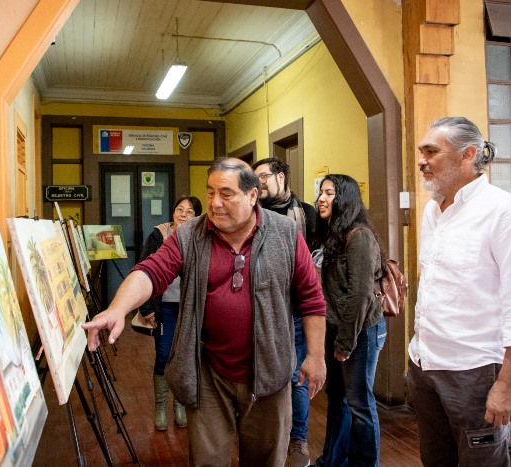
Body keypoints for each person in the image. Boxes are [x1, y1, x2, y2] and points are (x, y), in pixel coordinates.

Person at [83, 157, 327, 466]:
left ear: (252, 196)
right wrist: (117, 308)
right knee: (207, 461)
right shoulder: (190, 235)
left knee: (267, 460)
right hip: (208, 373)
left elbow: (311, 298)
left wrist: (316, 357)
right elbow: (151, 271)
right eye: (210, 192)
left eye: (226, 194)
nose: (214, 203)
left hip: (269, 374)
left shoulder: (286, 233)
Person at [409, 117, 511, 466]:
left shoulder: (503, 211)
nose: (422, 160)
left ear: (467, 154)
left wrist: (509, 384)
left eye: (431, 151)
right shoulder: (432, 211)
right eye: (420, 152)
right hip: (425, 366)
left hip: (474, 371)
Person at [309, 174, 387, 467]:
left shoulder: (360, 236)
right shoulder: (332, 234)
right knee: (338, 398)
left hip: (361, 330)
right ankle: (331, 460)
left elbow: (360, 296)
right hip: (337, 328)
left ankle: (366, 464)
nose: (321, 198)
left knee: (359, 404)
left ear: (346, 198)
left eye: (330, 193)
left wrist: (344, 343)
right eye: (321, 192)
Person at [252, 157, 316, 467]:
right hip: (258, 309)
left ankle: (297, 440)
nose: (258, 182)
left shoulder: (306, 214)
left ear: (281, 177)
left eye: (263, 176)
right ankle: (266, 436)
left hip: (295, 310)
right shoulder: (251, 213)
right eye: (254, 178)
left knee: (295, 376)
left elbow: (317, 260)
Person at [139, 195, 202, 431]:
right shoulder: (159, 234)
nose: (183, 215)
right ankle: (160, 407)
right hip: (163, 306)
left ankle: (179, 405)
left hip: (189, 307)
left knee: (185, 355)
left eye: (189, 212)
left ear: (196, 216)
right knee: (164, 354)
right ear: (173, 211)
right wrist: (146, 308)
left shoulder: (200, 236)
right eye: (180, 209)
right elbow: (144, 268)